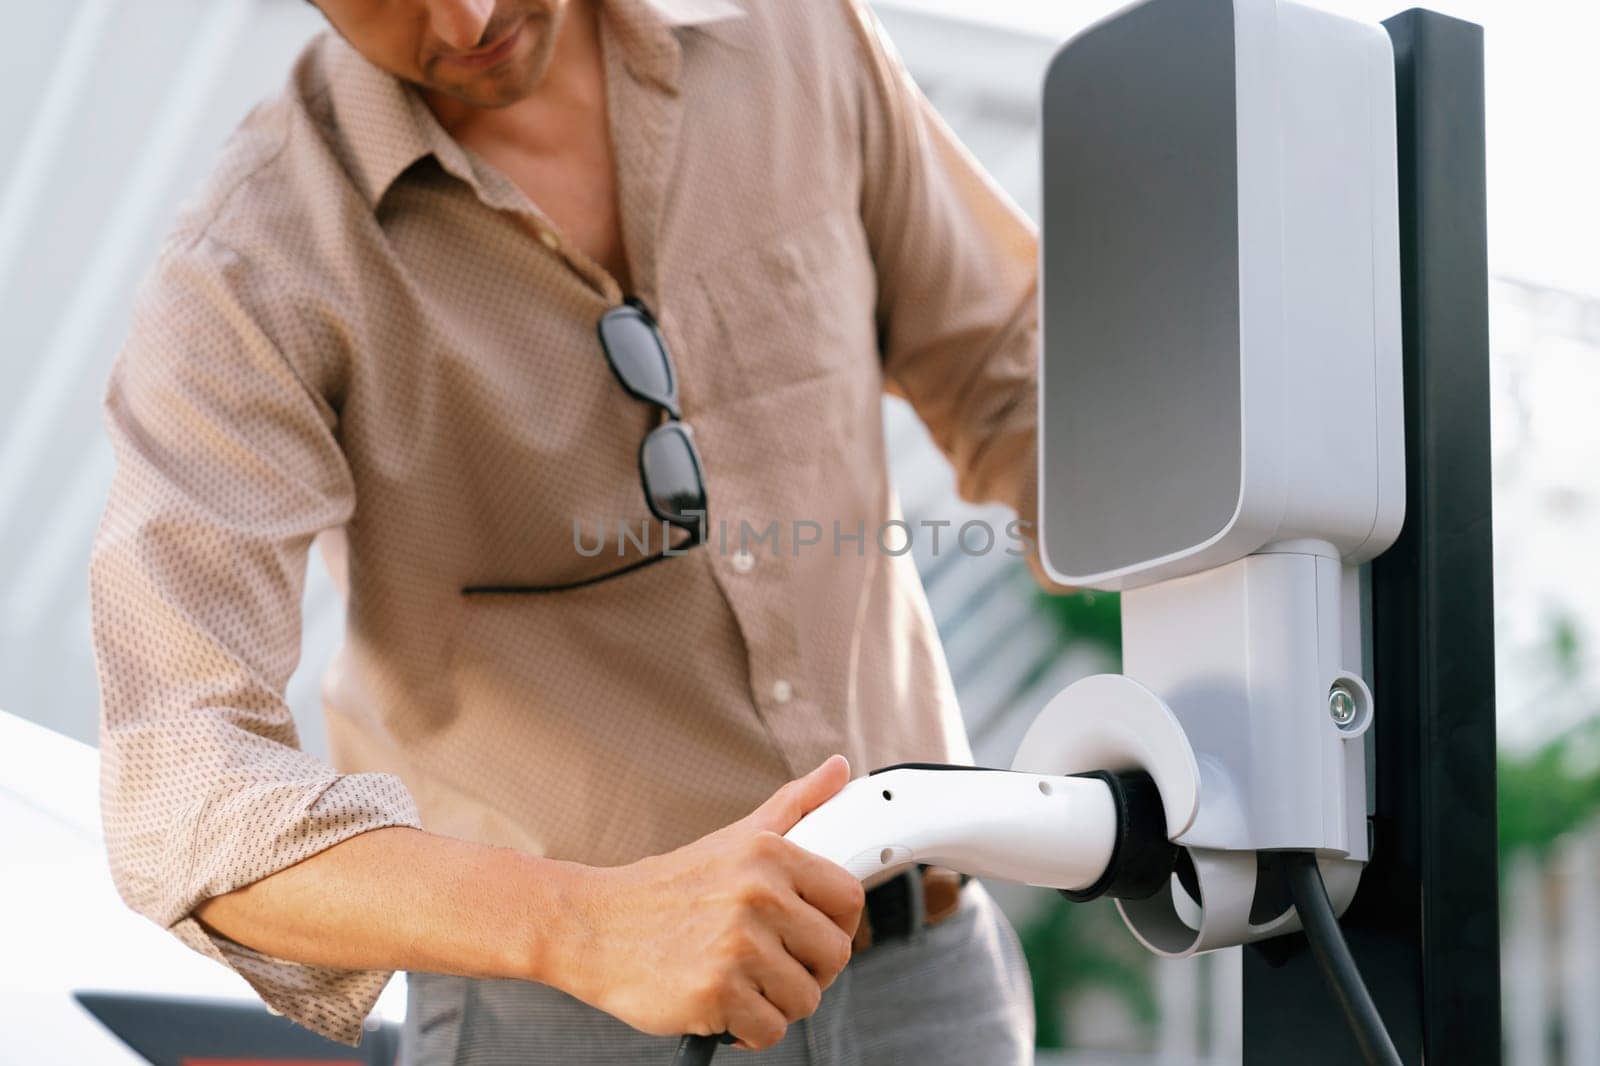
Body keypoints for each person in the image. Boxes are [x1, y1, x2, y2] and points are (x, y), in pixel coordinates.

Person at [89, 0, 1051, 1061]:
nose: (468, 17)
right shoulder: (246, 272)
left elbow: (1019, 383)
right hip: (567, 1030)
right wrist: (584, 924)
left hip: (938, 980)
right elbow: (177, 782)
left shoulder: (800, 34)